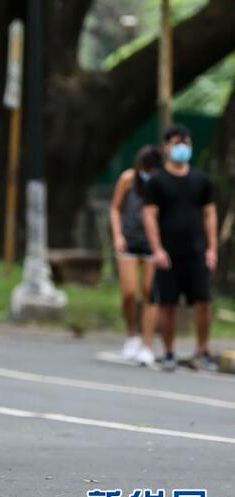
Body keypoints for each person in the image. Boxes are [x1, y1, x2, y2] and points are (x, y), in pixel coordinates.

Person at [143, 124, 218, 372]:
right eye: (176, 143)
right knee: (168, 305)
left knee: (203, 302)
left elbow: (210, 215)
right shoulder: (157, 182)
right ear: (166, 147)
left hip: (196, 251)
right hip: (168, 254)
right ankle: (169, 352)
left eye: (185, 143)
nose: (181, 148)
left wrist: (212, 249)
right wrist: (157, 249)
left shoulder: (201, 180)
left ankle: (203, 349)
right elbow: (150, 216)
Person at [109, 145, 162, 366]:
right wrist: (118, 235)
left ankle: (148, 344)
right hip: (129, 241)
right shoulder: (128, 179)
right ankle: (132, 335)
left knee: (150, 293)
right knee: (129, 292)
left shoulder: (162, 184)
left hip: (152, 243)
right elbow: (115, 208)